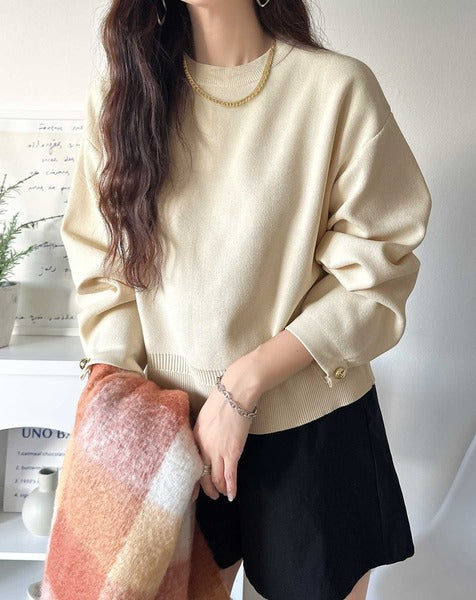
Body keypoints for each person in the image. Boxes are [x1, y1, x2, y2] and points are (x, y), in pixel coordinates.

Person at [61, 0, 432, 599]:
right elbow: (102, 262)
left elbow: (376, 274)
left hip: (311, 430)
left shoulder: (336, 89)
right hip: (166, 430)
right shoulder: (123, 93)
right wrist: (126, 401)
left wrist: (243, 384)